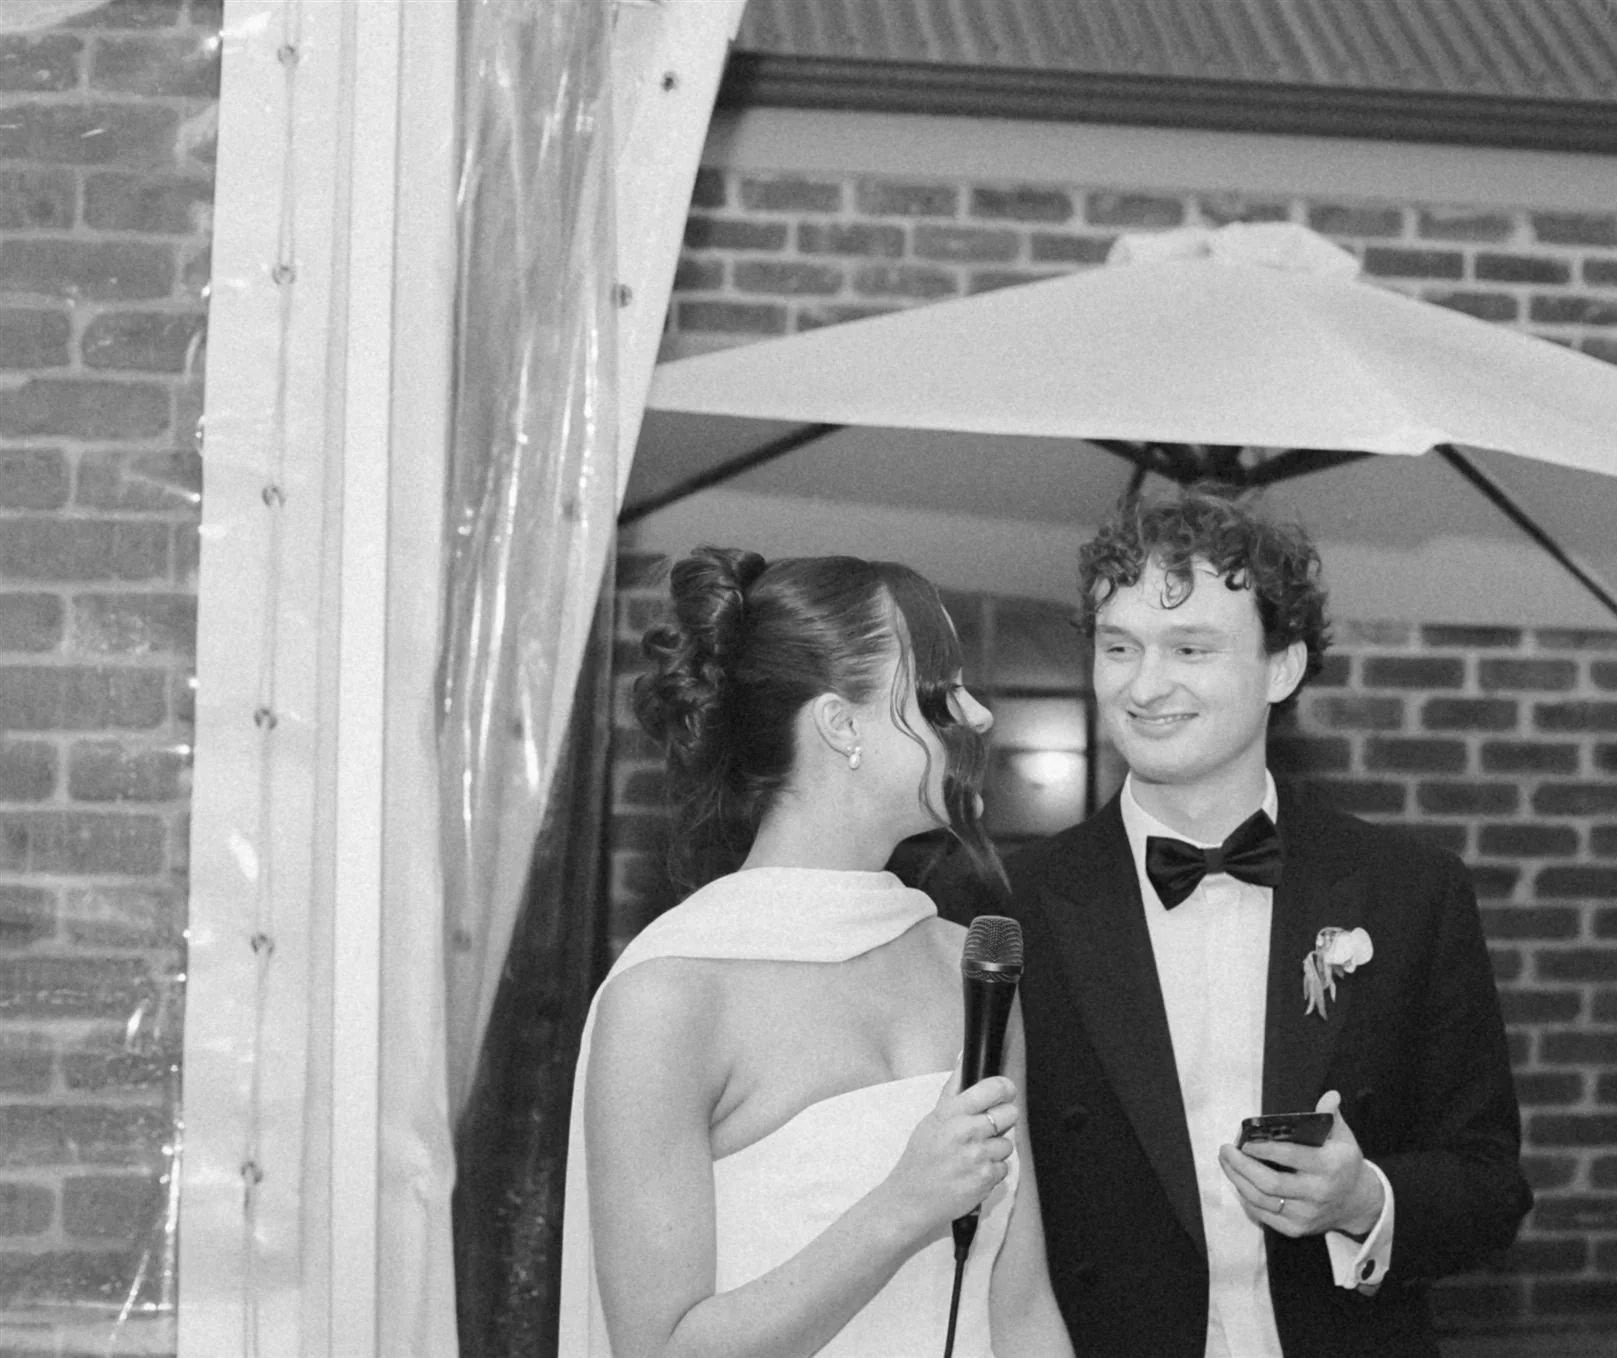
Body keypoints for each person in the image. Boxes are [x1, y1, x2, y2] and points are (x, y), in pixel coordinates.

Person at [940, 489, 1531, 1357]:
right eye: (1119, 647)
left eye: (1191, 647)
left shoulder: (1410, 891)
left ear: (1282, 668)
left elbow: (1489, 1187)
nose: (1146, 685)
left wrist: (1363, 1198)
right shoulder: (1004, 906)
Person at [559, 548, 1073, 1358]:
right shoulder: (672, 993)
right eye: (940, 691)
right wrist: (901, 1207)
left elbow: (1021, 1308)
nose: (976, 716)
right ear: (841, 725)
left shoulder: (966, 966)